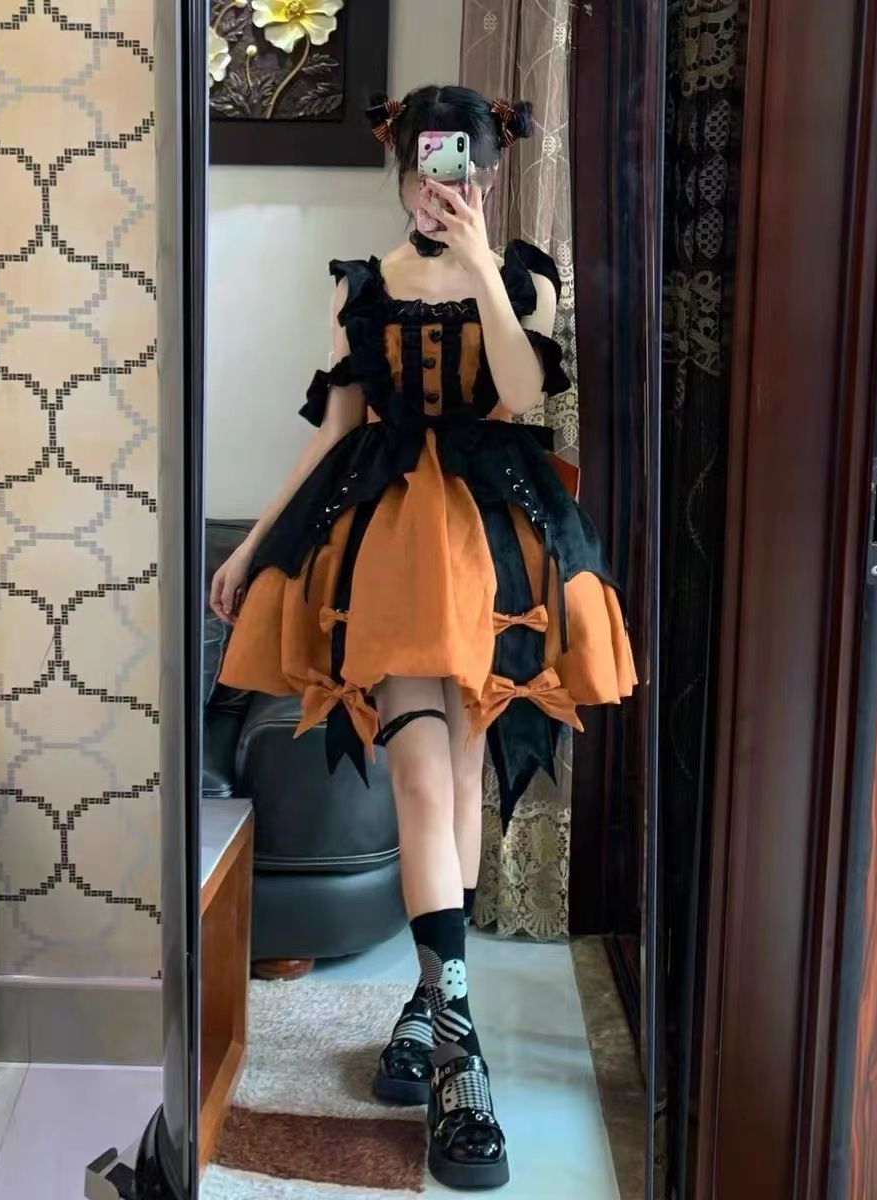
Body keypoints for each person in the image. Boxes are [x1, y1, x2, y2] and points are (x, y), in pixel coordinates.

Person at [209, 84, 636, 1191]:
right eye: (428, 165)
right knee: (417, 778)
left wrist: (486, 263)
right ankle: (457, 1056)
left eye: (467, 167)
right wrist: (254, 546)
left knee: (458, 776)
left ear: (491, 170)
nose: (446, 185)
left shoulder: (525, 276)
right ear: (398, 165)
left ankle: (428, 1005)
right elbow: (335, 433)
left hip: (493, 547)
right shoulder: (362, 287)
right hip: (390, 545)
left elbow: (522, 394)